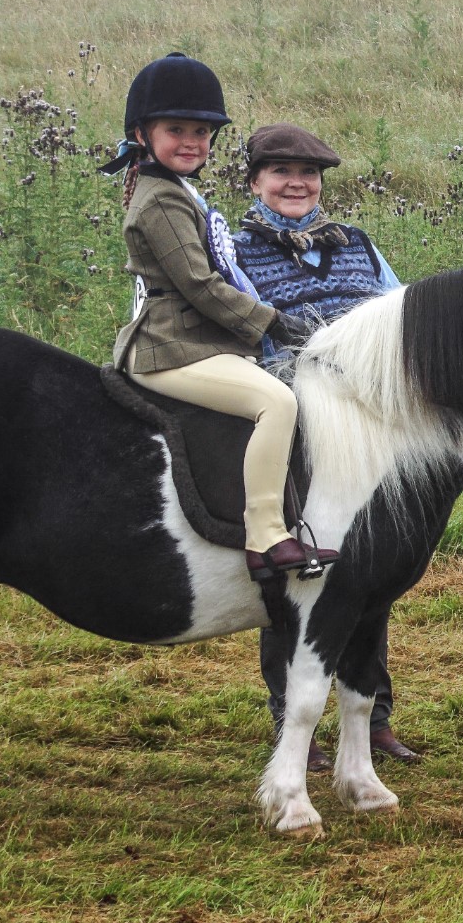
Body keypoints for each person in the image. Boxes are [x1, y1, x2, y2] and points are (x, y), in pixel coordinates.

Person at [103, 53, 337, 580]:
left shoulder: (175, 188)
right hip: (169, 346)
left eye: (202, 132)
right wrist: (271, 321)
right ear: (142, 133)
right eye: (176, 130)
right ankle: (266, 538)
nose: (191, 141)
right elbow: (200, 286)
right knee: (276, 402)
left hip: (197, 342)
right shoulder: (160, 200)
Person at [230, 122, 419, 767]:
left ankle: (375, 719)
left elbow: (398, 310)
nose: (296, 183)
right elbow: (245, 327)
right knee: (297, 571)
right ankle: (294, 724)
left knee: (372, 571)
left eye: (307, 174)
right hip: (296, 418)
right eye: (280, 172)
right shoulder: (234, 248)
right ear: (254, 181)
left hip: (369, 424)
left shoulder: (357, 245)